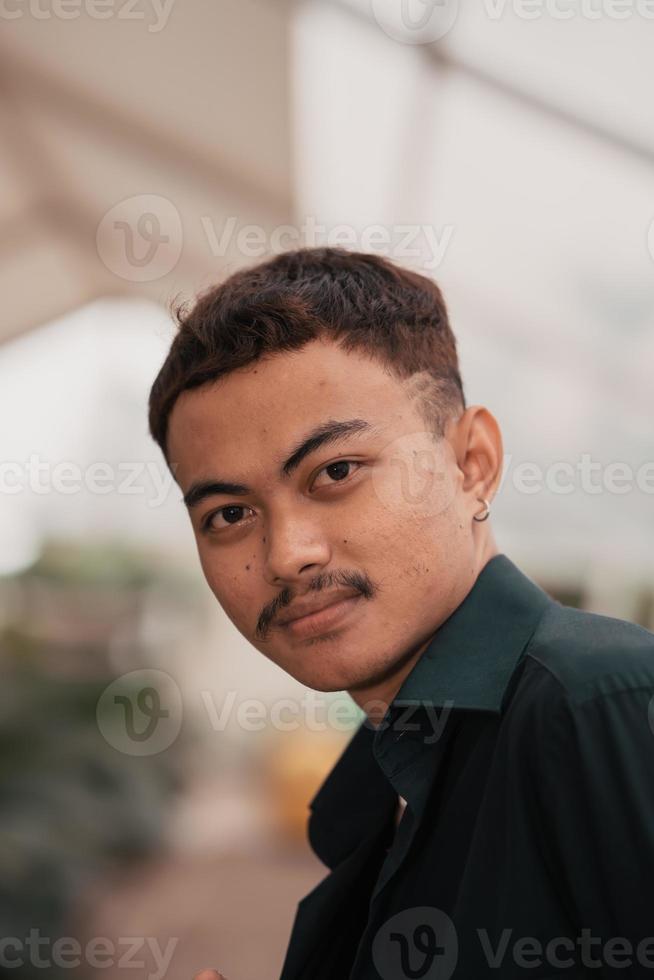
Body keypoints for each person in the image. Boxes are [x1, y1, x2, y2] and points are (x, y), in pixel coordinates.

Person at [147, 247, 654, 980]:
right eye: (229, 514)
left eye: (336, 471)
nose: (287, 554)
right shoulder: (385, 788)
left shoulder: (599, 703)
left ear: (471, 463)